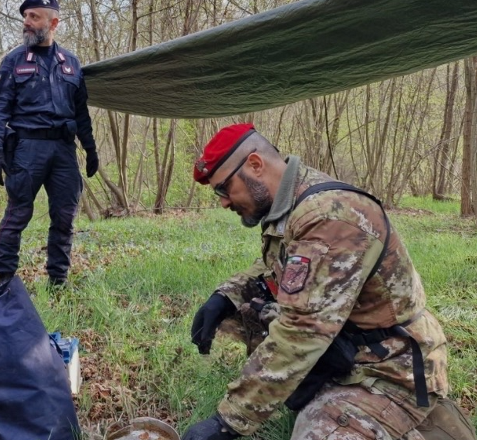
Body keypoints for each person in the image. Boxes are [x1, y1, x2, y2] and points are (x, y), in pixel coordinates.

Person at [183, 123, 474, 440]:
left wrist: (228, 422)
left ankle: (414, 419)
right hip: (346, 343)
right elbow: (279, 265)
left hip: (389, 365)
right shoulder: (292, 200)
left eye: (223, 189)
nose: (224, 202)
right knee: (246, 314)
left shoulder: (330, 214)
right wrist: (227, 296)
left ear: (254, 165)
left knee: (315, 432)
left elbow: (301, 332)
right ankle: (317, 389)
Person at [0, 0, 98, 287]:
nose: (27, 22)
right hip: (26, 148)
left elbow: (81, 110)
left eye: (34, 16)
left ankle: (58, 280)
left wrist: (90, 147)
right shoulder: (13, 60)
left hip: (63, 150)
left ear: (53, 22)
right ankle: (5, 282)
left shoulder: (70, 62)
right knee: (17, 214)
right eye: (25, 17)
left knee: (64, 217)